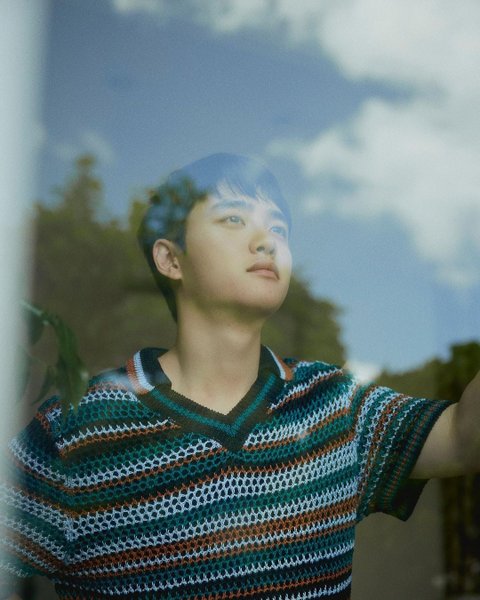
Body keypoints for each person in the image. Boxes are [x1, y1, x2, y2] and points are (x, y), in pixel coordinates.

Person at [0, 153, 479, 599]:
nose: (267, 240)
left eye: (279, 228)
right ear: (170, 259)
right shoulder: (75, 429)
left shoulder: (332, 403)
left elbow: (464, 438)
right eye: (233, 218)